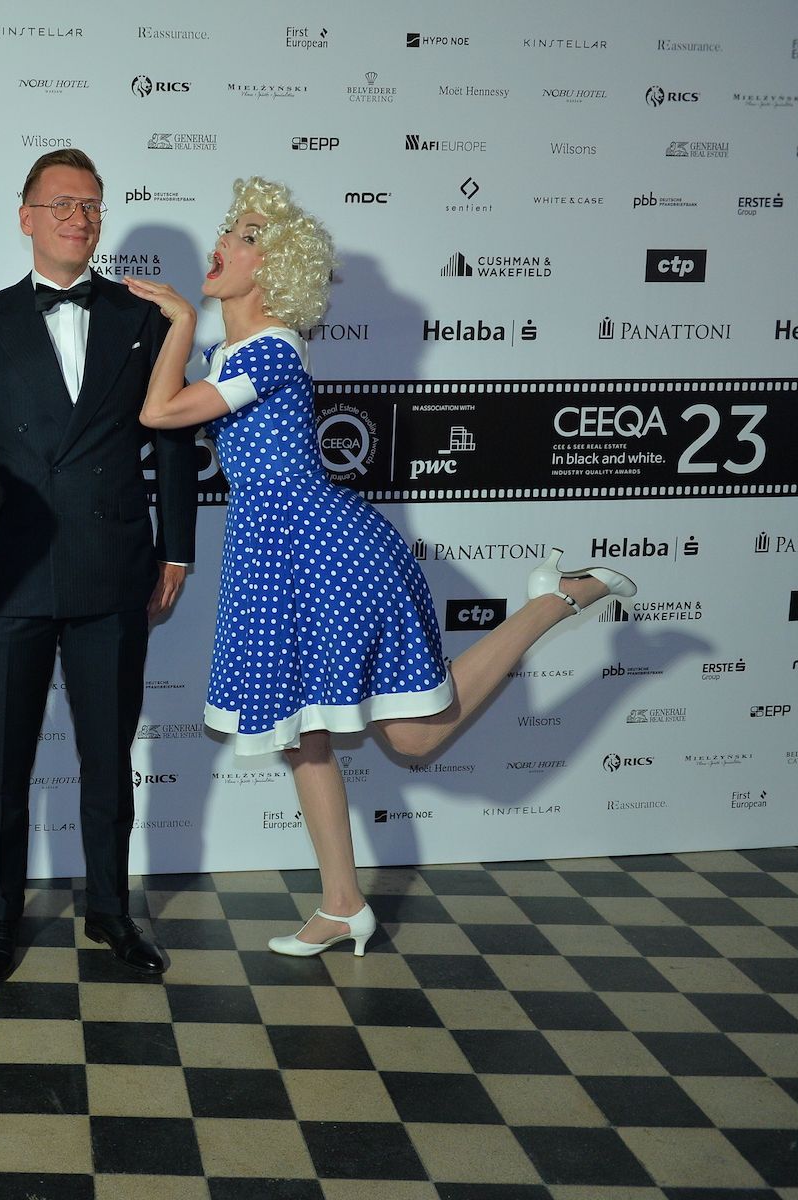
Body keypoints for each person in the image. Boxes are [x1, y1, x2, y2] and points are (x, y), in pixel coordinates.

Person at [126, 177, 636, 957]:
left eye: (248, 235)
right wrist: (187, 332)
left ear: (274, 268)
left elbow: (160, 412)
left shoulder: (272, 348)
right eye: (230, 228)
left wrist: (182, 318)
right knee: (305, 737)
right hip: (278, 555)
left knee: (413, 739)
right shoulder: (229, 353)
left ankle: (551, 603)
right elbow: (163, 403)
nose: (225, 242)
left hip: (328, 550)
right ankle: (343, 906)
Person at [0, 149, 200, 982]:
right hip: (8, 572)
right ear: (25, 217)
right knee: (2, 766)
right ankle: (2, 915)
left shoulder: (142, 316)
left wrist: (176, 546)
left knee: (108, 760)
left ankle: (111, 912)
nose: (79, 218)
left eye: (91, 204)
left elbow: (173, 439)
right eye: (61, 204)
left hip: (112, 567)